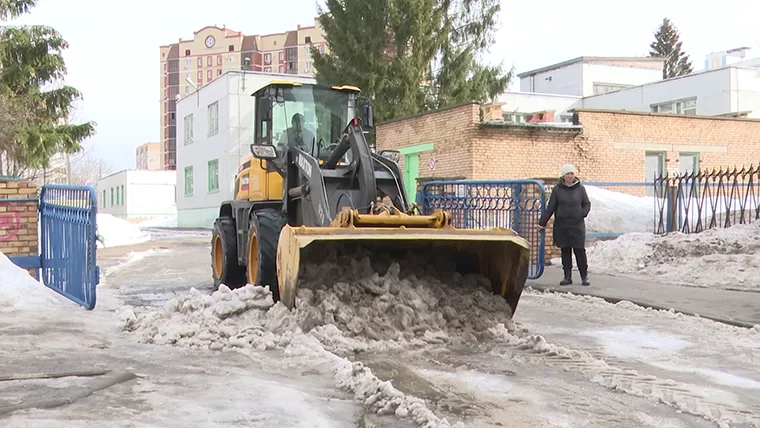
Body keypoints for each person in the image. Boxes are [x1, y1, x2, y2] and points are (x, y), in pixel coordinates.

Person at [538, 163, 592, 286]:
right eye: (568, 174)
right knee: (565, 251)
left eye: (572, 173)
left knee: (579, 251)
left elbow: (587, 204)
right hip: (562, 226)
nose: (570, 176)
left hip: (577, 225)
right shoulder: (557, 190)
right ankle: (567, 277)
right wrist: (542, 223)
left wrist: (582, 213)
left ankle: (584, 276)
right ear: (563, 175)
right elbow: (551, 207)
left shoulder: (580, 189)